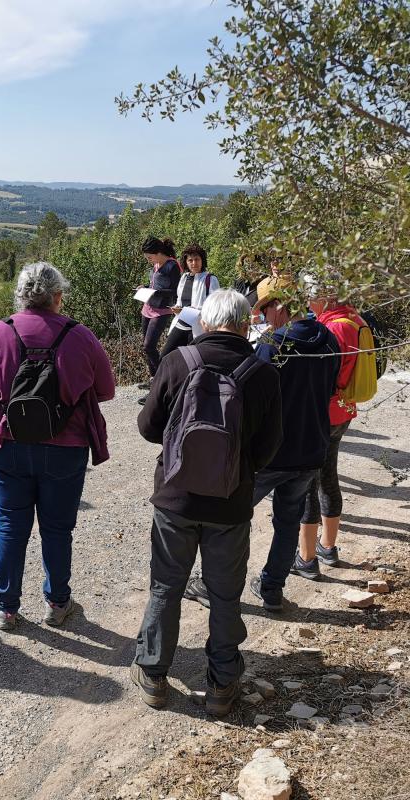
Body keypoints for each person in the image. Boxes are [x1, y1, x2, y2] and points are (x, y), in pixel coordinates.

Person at [130, 289, 282, 716]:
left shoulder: (178, 362)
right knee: (225, 594)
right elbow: (271, 447)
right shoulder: (262, 373)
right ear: (243, 322)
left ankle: (154, 675)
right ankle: (222, 686)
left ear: (207, 322)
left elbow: (147, 427)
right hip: (230, 505)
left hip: (175, 501)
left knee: (166, 586)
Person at [0, 262, 115, 631]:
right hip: (66, 446)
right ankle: (58, 603)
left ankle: (5, 607)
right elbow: (107, 391)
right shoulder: (80, 336)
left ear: (20, 295)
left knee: (11, 526)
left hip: (6, 441)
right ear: (58, 296)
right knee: (58, 529)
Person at [184, 277, 340, 613]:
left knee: (231, 517)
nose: (263, 317)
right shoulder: (328, 340)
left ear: (279, 306)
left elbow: (253, 396)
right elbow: (330, 388)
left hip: (271, 452)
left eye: (265, 309)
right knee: (287, 522)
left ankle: (213, 585)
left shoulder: (273, 343)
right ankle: (272, 589)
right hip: (312, 447)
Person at [294, 283, 366, 578]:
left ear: (325, 297)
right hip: (344, 409)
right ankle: (328, 547)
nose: (309, 303)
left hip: (325, 412)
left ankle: (307, 558)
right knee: (329, 476)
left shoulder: (334, 329)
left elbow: (324, 375)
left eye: (311, 297)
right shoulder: (354, 319)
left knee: (310, 483)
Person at [160, 244, 219, 359]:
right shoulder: (184, 278)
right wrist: (177, 308)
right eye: (190, 260)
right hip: (182, 323)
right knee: (165, 357)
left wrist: (194, 311)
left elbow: (215, 306)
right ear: (185, 262)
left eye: (197, 259)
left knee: (195, 361)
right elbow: (180, 300)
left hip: (199, 327)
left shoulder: (210, 279)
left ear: (202, 260)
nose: (194, 263)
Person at [137, 237, 181, 394]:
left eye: (150, 257)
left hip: (162, 310)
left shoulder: (172, 266)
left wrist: (156, 292)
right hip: (148, 307)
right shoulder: (156, 264)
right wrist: (146, 287)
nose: (149, 261)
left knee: (149, 345)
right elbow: (156, 283)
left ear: (158, 253)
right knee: (146, 347)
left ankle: (162, 379)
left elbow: (176, 291)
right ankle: (154, 379)